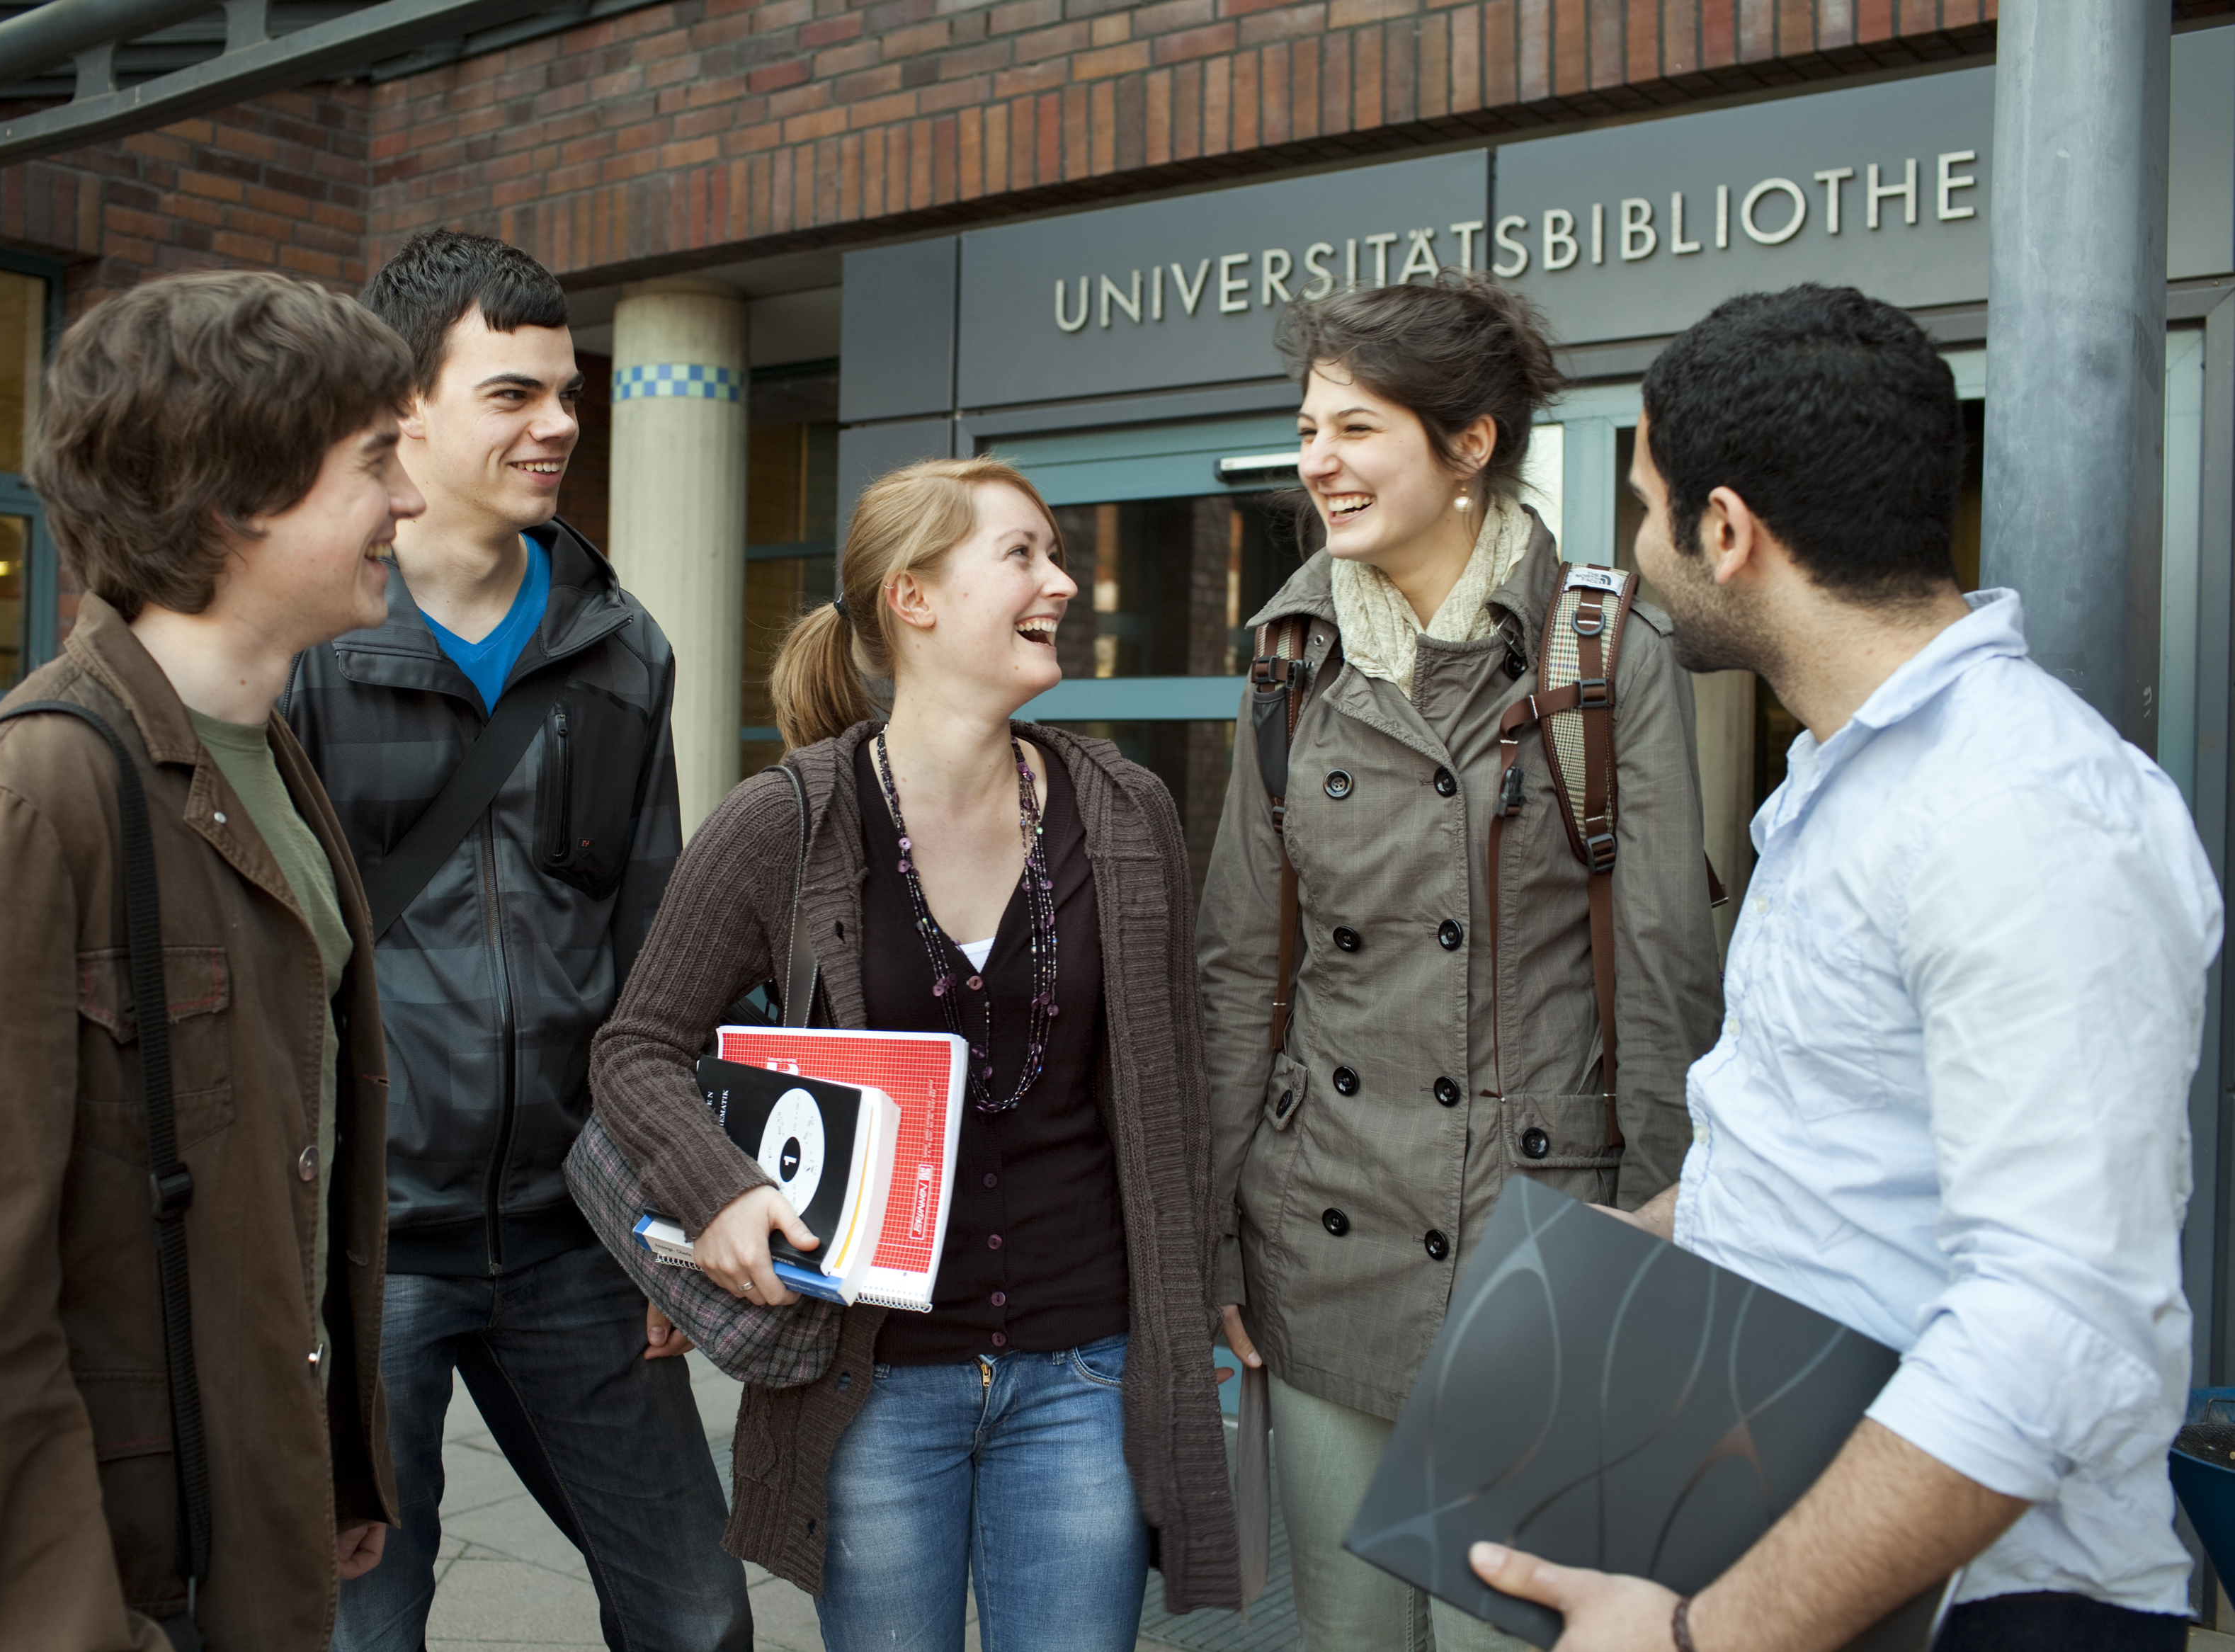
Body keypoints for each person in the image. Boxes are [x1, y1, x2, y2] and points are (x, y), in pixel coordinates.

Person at [1470, 285, 2222, 1651]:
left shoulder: (2022, 812)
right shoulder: (1848, 776)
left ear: (1727, 531)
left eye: (1646, 510)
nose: (1632, 556)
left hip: (1979, 1610)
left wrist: (1706, 1638)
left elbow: (2054, 1331)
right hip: (1804, 1544)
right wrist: (1645, 1240)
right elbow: (1868, 1156)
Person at [0, 270, 419, 1650]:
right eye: (376, 461)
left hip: (247, 1550)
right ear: (238, 501)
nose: (407, 501)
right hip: (108, 1598)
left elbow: (285, 1157)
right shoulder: (30, 801)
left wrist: (334, 1462)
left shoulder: (269, 758)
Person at [589, 456, 1241, 1649]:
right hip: (874, 1388)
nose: (1064, 582)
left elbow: (1178, 1085)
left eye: (1056, 553)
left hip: (1084, 1371)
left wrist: (1206, 1282)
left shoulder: (1125, 808)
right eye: (1025, 555)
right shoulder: (785, 818)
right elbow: (634, 1048)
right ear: (914, 597)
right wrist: (720, 1190)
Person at [1197, 274, 1724, 1652]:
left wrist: (1667, 1224)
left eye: (1357, 428)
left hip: (1545, 1235)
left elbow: (1665, 962)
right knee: (1349, 1635)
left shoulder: (1600, 649)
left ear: (1469, 445)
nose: (1317, 460)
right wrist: (1211, 1236)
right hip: (1322, 1236)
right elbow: (1238, 975)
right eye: (1309, 427)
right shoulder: (1284, 663)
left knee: (1522, 1634)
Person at [278, 229, 746, 1652]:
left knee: (697, 1614)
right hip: (366, 1250)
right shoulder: (304, 636)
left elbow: (656, 950)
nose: (556, 424)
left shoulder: (623, 648)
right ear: (404, 406)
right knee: (362, 1630)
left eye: (566, 393)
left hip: (573, 1239)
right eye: (511, 395)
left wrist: (672, 1206)